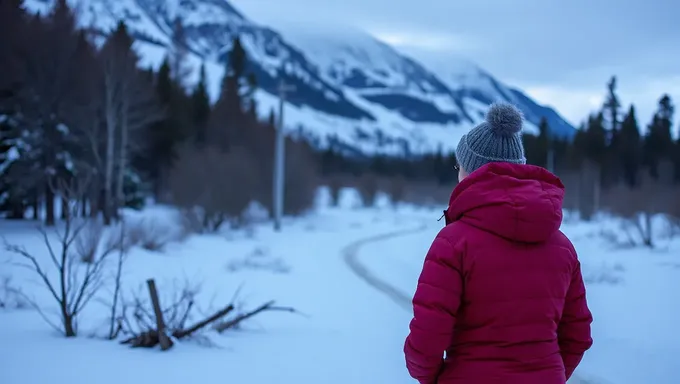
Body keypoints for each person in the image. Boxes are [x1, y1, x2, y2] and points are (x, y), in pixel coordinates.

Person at [403, 103, 593, 384]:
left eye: (460, 166)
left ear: (470, 172)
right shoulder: (562, 246)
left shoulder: (453, 243)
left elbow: (427, 337)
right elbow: (577, 334)